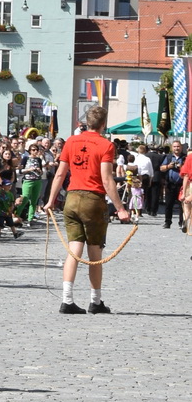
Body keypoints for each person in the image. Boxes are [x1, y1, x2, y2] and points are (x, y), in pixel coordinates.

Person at [45, 103, 131, 316]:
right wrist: (120, 208)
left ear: (86, 122)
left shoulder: (72, 141)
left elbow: (59, 174)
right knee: (94, 251)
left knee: (74, 249)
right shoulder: (106, 145)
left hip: (72, 198)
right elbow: (107, 179)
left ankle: (67, 300)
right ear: (103, 124)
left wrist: (50, 200)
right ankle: (95, 301)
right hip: (93, 200)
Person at [158, 140, 187, 229]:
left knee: (182, 205)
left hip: (181, 185)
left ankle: (181, 222)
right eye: (174, 147)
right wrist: (169, 166)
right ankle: (167, 222)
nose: (176, 148)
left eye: (178, 146)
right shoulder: (168, 157)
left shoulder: (185, 157)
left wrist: (180, 167)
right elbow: (161, 168)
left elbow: (188, 170)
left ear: (181, 147)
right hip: (169, 184)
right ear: (172, 148)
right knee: (168, 204)